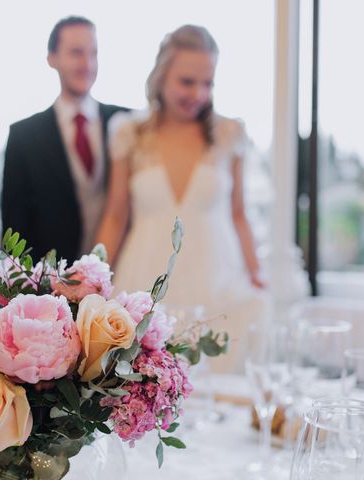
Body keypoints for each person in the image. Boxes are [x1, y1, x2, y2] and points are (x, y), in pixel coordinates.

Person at [95, 25, 266, 373]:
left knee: (219, 389)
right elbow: (115, 215)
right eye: (187, 82)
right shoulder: (129, 133)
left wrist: (256, 273)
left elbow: (239, 214)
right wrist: (92, 278)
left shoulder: (229, 134)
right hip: (144, 278)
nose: (199, 93)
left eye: (208, 83)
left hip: (217, 280)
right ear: (161, 77)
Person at [2, 16, 127, 262]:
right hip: (53, 285)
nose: (87, 63)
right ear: (52, 59)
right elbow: (13, 227)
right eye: (76, 53)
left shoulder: (125, 122)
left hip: (120, 278)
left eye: (93, 53)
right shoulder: (24, 136)